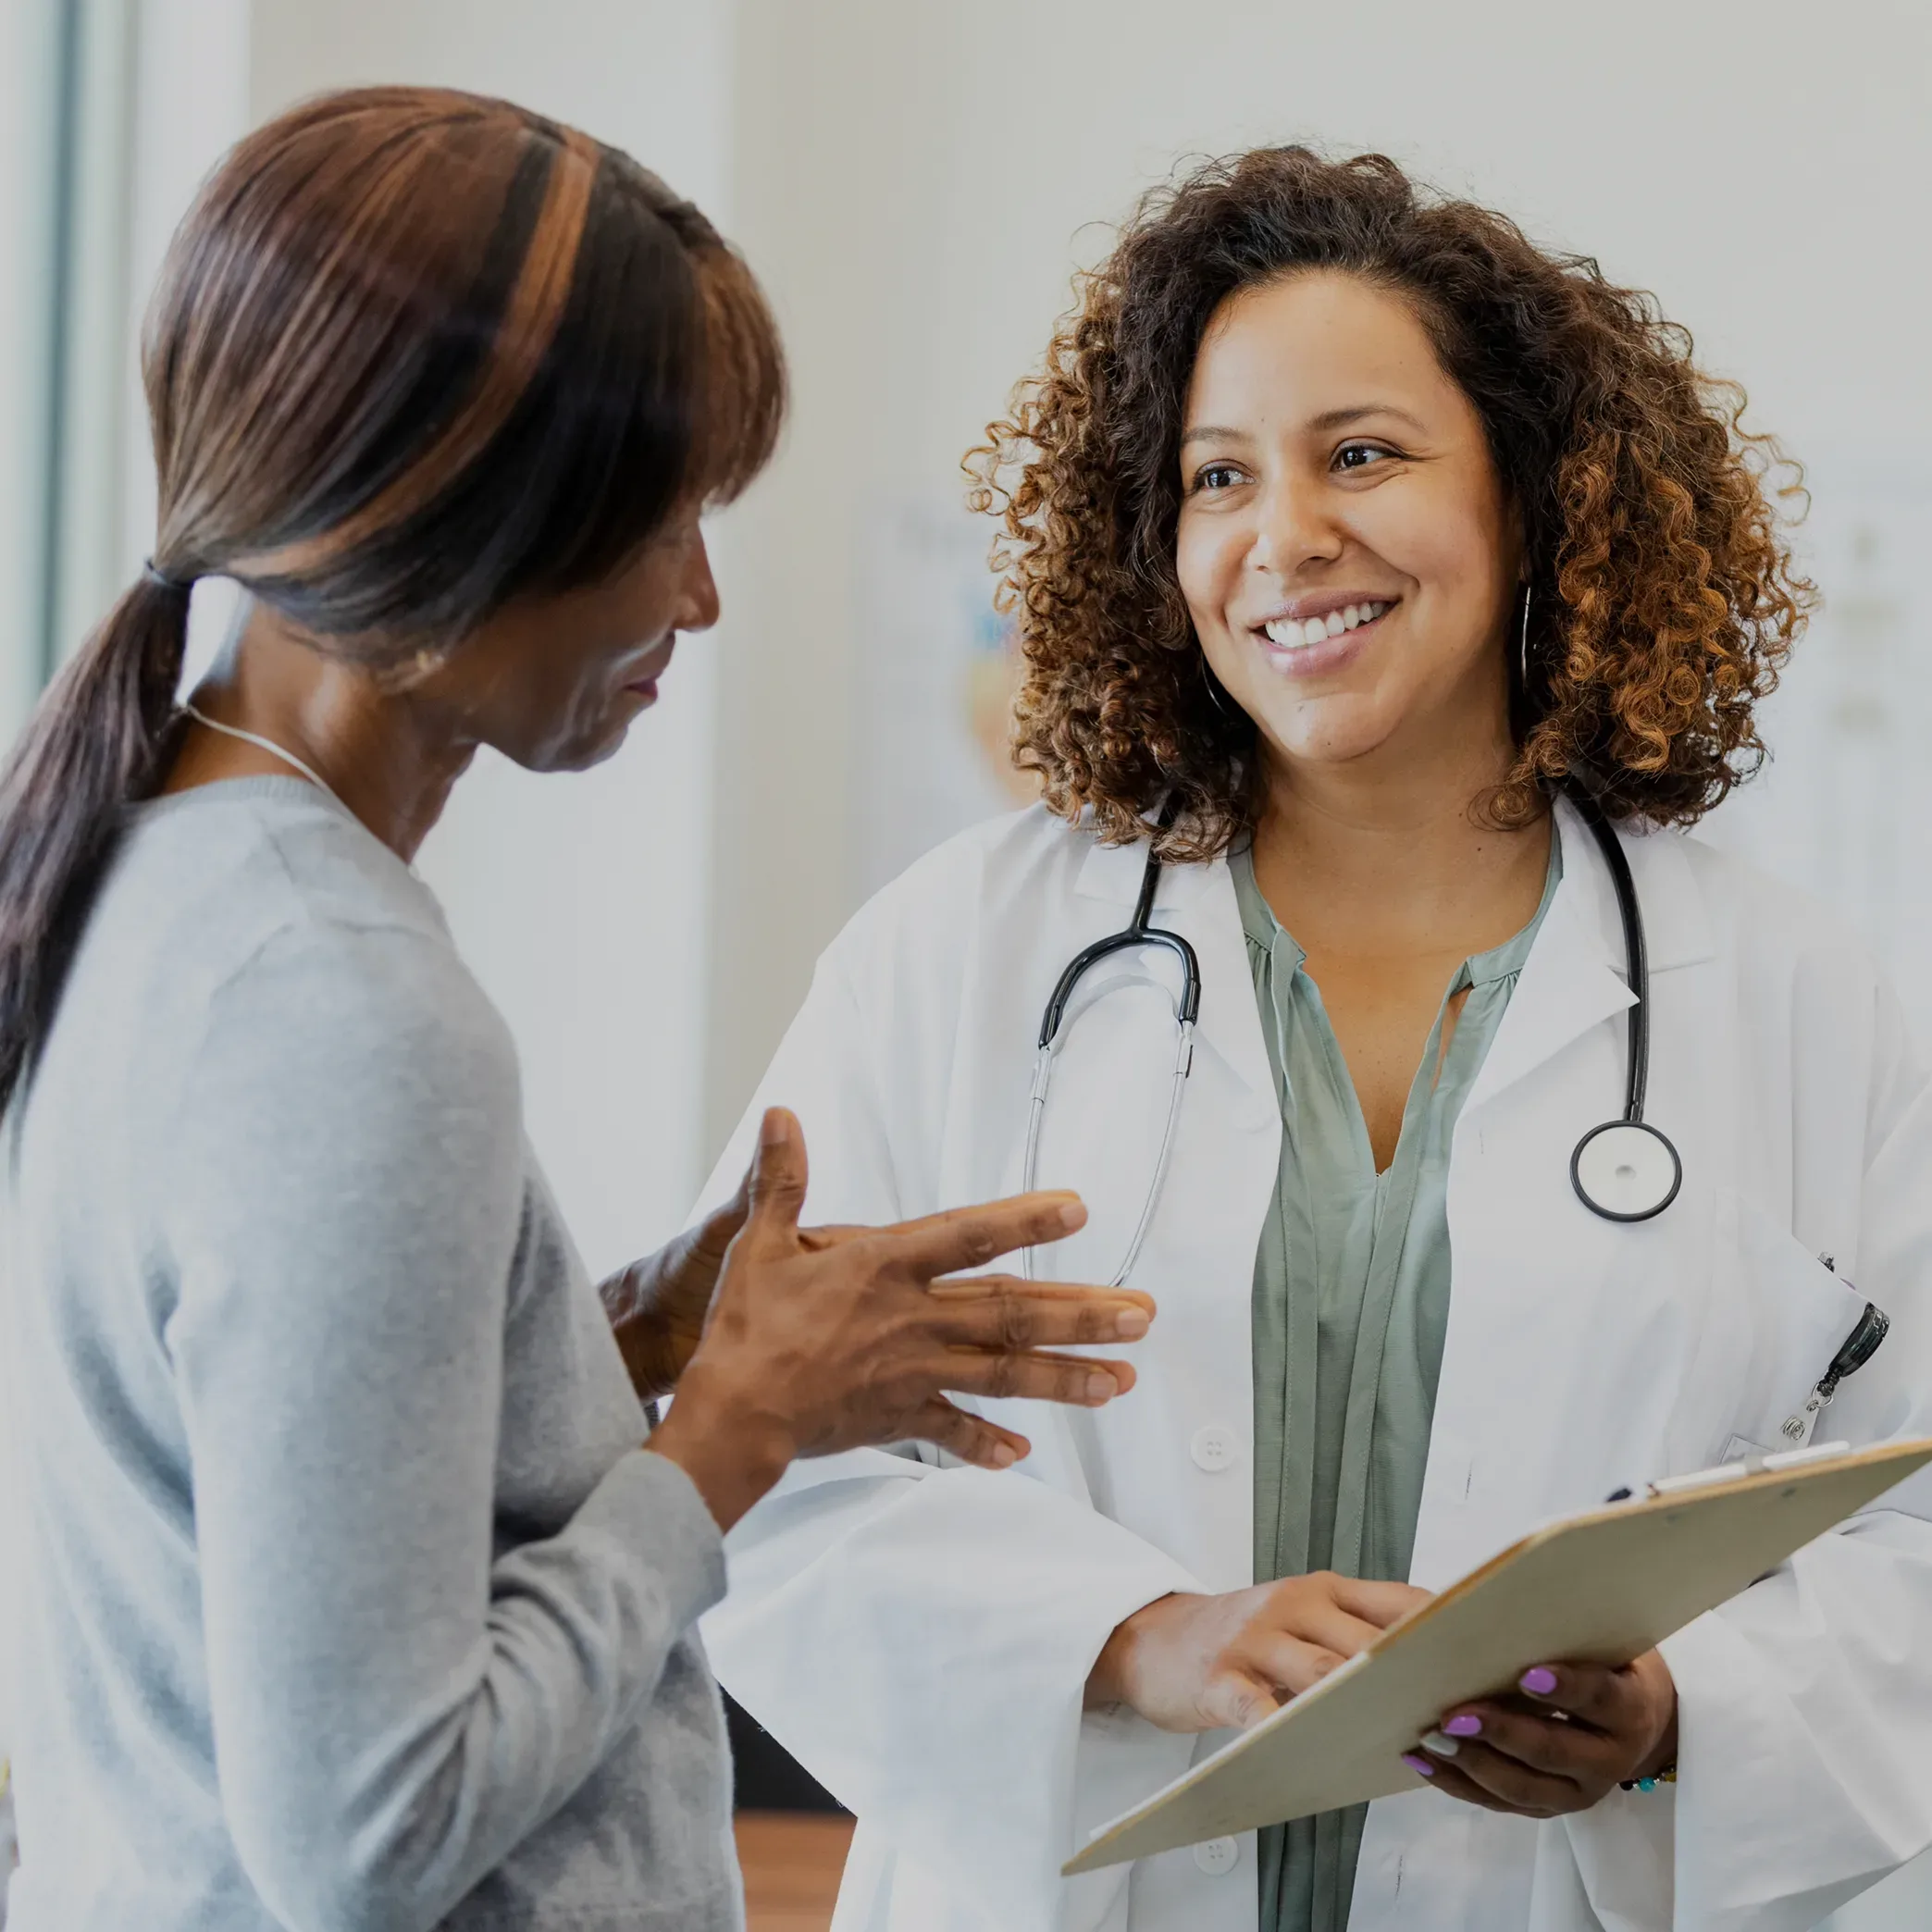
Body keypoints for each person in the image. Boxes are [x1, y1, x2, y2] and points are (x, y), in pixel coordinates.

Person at [694, 148, 1932, 1932]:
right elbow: (749, 1454)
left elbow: (1907, 1515)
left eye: (1362, 453)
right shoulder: (960, 954)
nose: (1286, 537)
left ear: (1536, 497)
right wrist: (1130, 1642)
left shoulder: (1794, 995)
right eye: (1218, 476)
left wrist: (1679, 1717)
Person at [0, 88, 1158, 1932]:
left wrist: (609, 1342)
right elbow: (374, 1832)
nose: (699, 595)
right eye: (667, 517)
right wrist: (732, 1441)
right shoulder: (347, 1014)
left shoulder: (144, 872)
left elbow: (272, 1490)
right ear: (461, 514)